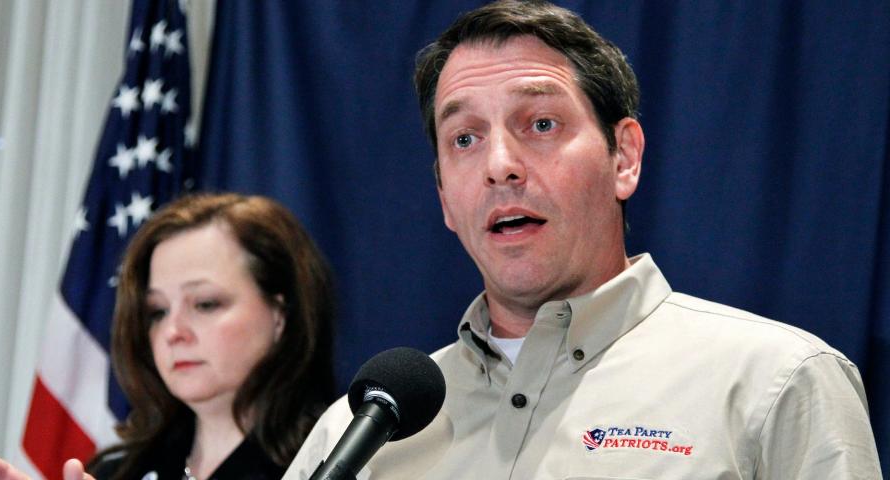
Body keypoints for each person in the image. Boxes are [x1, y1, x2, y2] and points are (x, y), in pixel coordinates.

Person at [284, 1, 882, 479]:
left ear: (624, 156)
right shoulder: (359, 435)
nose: (499, 165)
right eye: (464, 138)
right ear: (444, 196)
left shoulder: (778, 383)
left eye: (541, 124)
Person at [0, 193, 337, 480]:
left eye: (205, 304)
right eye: (157, 311)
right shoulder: (115, 471)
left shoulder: (341, 460)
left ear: (280, 314)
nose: (172, 332)